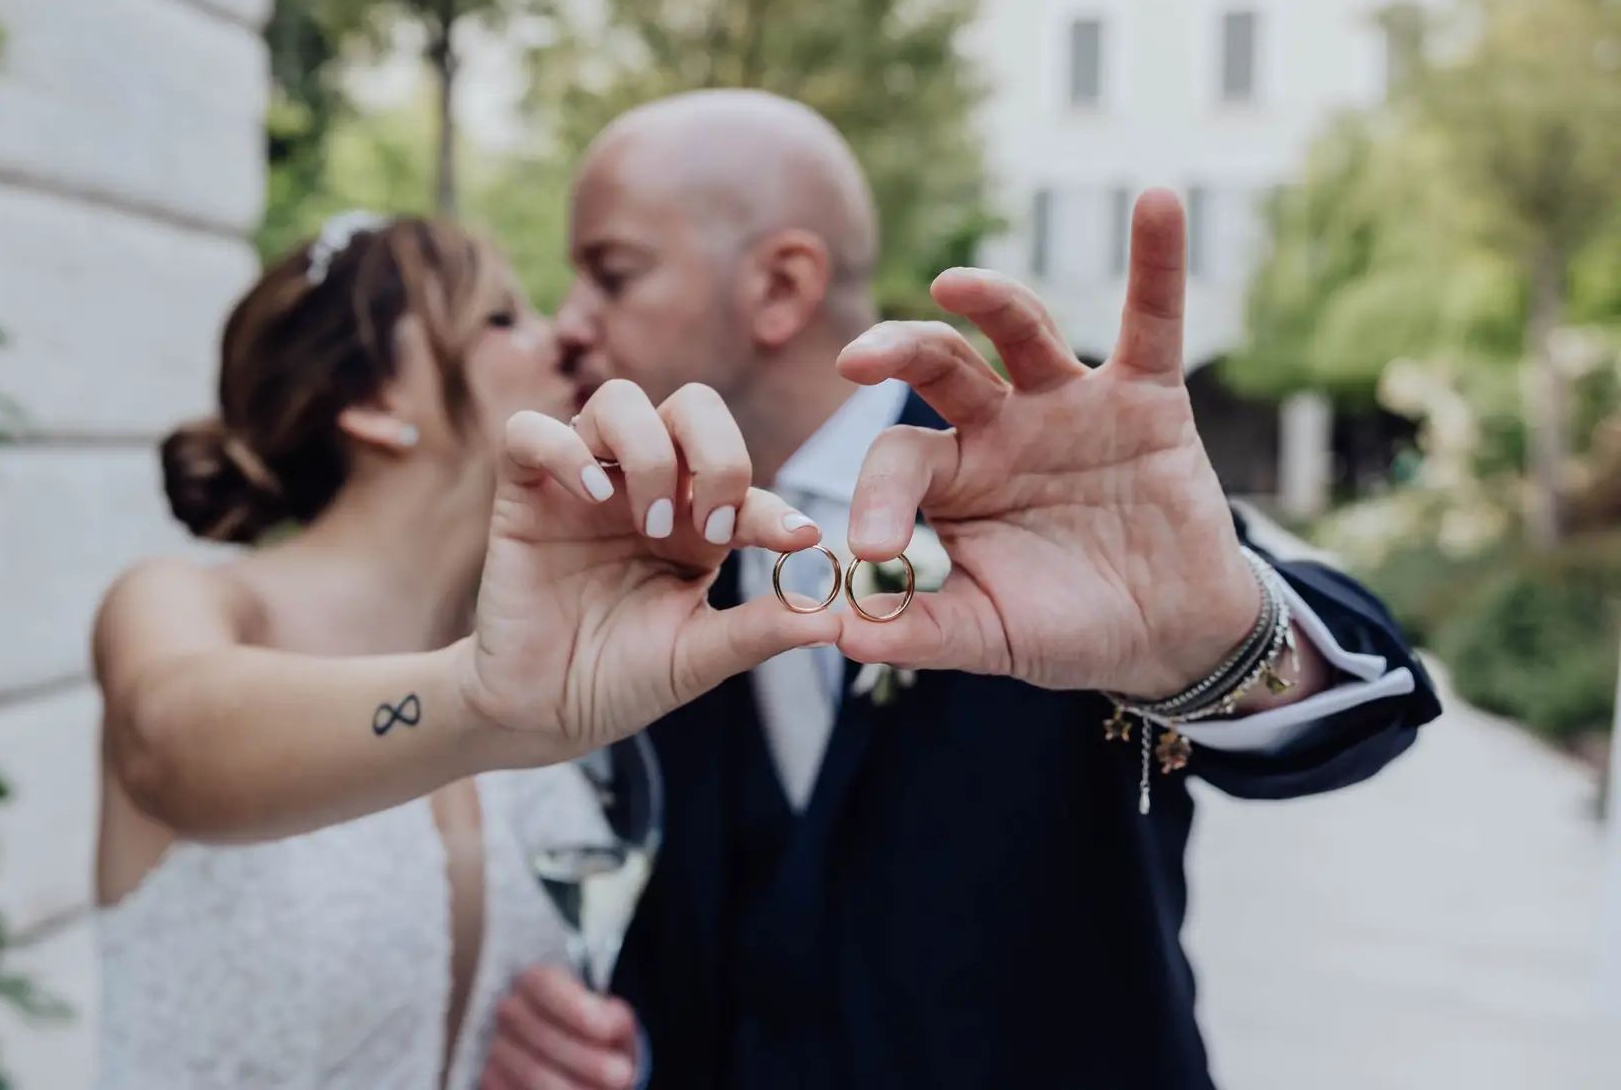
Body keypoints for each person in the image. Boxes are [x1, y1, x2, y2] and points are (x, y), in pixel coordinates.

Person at [480, 90, 1444, 1090]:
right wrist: (618, 1052)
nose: (568, 324)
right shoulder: (639, 544)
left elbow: (1368, 708)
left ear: (781, 285)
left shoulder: (1049, 494)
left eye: (611, 274)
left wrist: (1215, 641)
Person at [90, 213, 843, 1089]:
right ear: (375, 404)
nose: (565, 335)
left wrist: (603, 1055)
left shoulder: (550, 640)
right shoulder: (187, 605)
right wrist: (478, 702)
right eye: (501, 318)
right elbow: (165, 743)